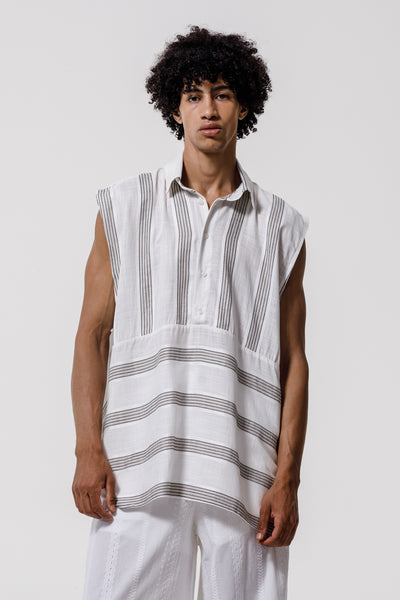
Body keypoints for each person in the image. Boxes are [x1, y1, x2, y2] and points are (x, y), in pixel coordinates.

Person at [71, 25, 310, 600]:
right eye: (194, 95)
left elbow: (294, 361)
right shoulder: (124, 206)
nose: (209, 109)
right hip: (139, 468)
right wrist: (87, 449)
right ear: (174, 107)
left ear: (243, 106)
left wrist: (288, 479)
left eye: (222, 94)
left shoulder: (282, 226)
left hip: (245, 477)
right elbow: (93, 335)